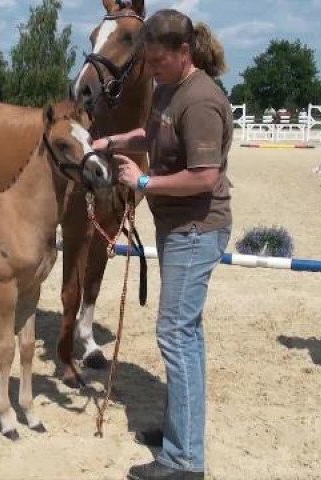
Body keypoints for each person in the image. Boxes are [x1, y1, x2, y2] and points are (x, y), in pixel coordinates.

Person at [93, 9, 232, 480]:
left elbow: (205, 176)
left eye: (156, 62)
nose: (151, 71)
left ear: (183, 53)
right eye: (147, 63)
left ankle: (184, 461)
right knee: (185, 335)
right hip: (178, 229)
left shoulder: (201, 101)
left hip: (196, 229)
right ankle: (181, 432)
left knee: (175, 335)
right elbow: (150, 134)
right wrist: (111, 140)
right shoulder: (170, 90)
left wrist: (146, 181)